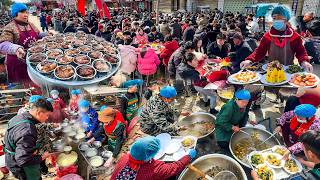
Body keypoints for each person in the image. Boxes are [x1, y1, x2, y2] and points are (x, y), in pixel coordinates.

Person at [241, 5, 312, 72]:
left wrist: (304, 62)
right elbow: (259, 52)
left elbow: (301, 52)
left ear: (286, 20)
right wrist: (249, 60)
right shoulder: (267, 36)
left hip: (289, 71)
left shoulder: (294, 36)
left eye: (280, 18)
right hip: (271, 70)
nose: (276, 20)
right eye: (274, 18)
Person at [4, 98, 53, 180]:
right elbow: (23, 160)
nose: (47, 118)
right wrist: (42, 157)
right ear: (39, 113)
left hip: (12, 158)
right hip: (21, 167)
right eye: (47, 115)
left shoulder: (20, 117)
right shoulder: (27, 130)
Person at [0, 3, 49, 83]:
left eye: (26, 12)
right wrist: (15, 48)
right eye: (22, 12)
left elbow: (37, 35)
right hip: (18, 63)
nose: (26, 14)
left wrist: (45, 34)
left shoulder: (30, 24)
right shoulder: (10, 27)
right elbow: (2, 44)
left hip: (34, 59)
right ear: (15, 14)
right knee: (24, 85)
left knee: (34, 83)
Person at [111, 136, 197, 180]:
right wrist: (188, 156)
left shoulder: (124, 158)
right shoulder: (154, 170)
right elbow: (173, 168)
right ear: (149, 155)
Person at [251, 130, 320, 180]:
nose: (301, 147)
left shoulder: (307, 177)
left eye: (303, 148)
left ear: (310, 154)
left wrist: (256, 178)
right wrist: (289, 151)